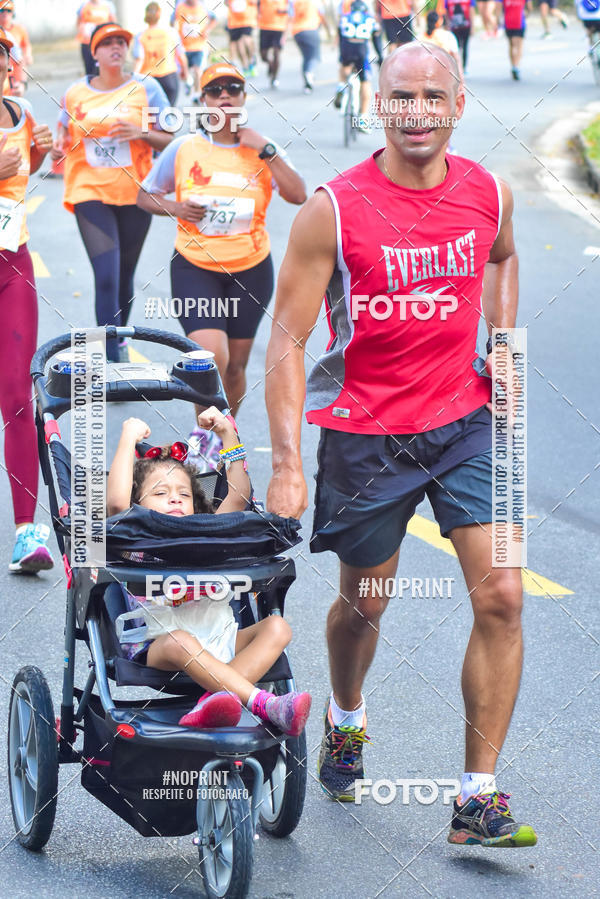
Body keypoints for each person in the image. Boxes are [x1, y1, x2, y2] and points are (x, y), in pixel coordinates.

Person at [265, 42, 538, 847]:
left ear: (458, 105)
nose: (416, 111)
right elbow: (287, 333)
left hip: (471, 422)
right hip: (367, 432)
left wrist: (503, 343)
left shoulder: (489, 191)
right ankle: (347, 719)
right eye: (400, 97)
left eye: (431, 96)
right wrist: (286, 463)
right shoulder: (334, 209)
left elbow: (502, 258)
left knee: (504, 595)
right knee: (364, 604)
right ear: (377, 105)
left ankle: (476, 796)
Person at [136, 63, 305, 461]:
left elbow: (298, 194)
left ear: (244, 98)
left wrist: (264, 147)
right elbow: (145, 196)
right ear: (203, 100)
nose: (224, 95)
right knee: (211, 360)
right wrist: (176, 206)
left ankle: (218, 437)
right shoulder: (184, 148)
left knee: (235, 368)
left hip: (250, 270)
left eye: (233, 87)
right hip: (196, 267)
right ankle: (206, 440)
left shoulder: (263, 149)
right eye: (214, 90)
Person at [106, 408, 312, 735]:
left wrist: (228, 434)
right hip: (162, 642)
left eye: (183, 494)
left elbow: (240, 496)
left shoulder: (209, 530)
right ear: (139, 504)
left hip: (222, 638)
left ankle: (211, 702)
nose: (174, 498)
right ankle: (263, 703)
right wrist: (128, 437)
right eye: (160, 493)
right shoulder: (136, 536)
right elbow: (117, 504)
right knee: (181, 641)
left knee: (277, 628)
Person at [51, 23, 173, 363]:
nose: (116, 47)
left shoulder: (147, 88)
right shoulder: (75, 93)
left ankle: (117, 339)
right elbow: (62, 139)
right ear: (95, 53)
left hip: (136, 193)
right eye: (107, 43)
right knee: (106, 274)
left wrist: (141, 131)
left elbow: (170, 138)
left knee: (124, 275)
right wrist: (55, 151)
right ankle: (111, 359)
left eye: (121, 41)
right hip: (88, 190)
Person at [0, 29, 55, 573]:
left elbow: (27, 169)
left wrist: (45, 154)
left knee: (18, 397)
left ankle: (25, 532)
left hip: (13, 262)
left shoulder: (19, 110)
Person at [334, 0, 380, 132]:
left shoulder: (344, 17)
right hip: (361, 50)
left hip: (346, 49)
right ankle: (363, 119)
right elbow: (376, 39)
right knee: (365, 82)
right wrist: (380, 57)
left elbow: (341, 37)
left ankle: (341, 87)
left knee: (344, 68)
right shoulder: (370, 19)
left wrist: (341, 55)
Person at [132, 2, 189, 106]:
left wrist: (133, 80)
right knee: (167, 114)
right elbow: (180, 55)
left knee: (151, 115)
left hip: (149, 79)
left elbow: (139, 60)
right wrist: (185, 72)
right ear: (160, 14)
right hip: (169, 77)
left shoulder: (141, 36)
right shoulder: (171, 33)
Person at [172, 0, 217, 98]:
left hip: (199, 46)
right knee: (183, 73)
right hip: (184, 46)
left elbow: (214, 19)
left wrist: (207, 30)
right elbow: (171, 22)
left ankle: (197, 94)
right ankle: (189, 82)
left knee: (198, 70)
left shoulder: (203, 7)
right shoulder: (179, 7)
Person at [290, 0, 331, 92]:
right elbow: (323, 18)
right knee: (314, 57)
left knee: (306, 57)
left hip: (297, 32)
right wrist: (329, 32)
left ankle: (307, 84)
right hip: (311, 30)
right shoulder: (316, 2)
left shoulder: (295, 2)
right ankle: (309, 73)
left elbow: (290, 17)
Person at [77, 0, 116, 76]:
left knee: (103, 67)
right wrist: (82, 32)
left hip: (103, 42)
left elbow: (113, 23)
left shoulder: (108, 5)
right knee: (89, 68)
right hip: (87, 43)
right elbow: (79, 22)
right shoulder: (84, 5)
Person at [0, 1, 31, 97]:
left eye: (8, 10)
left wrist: (22, 84)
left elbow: (21, 57)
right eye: (2, 10)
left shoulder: (10, 35)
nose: (5, 13)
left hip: (10, 81)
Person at [422, 10, 462, 78]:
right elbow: (457, 60)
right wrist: (461, 80)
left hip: (426, 75)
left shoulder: (420, 38)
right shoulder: (448, 36)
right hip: (445, 75)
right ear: (439, 22)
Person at [258, 0, 289, 87]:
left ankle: (274, 77)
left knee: (276, 52)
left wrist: (284, 11)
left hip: (279, 27)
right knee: (263, 56)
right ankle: (270, 64)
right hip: (264, 27)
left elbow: (292, 9)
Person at [226, 0, 259, 78]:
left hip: (247, 20)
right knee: (239, 45)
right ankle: (245, 66)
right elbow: (226, 2)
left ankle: (251, 58)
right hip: (234, 22)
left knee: (246, 40)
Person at [503, 0, 530, 79]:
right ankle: (515, 66)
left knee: (513, 44)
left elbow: (529, 7)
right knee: (517, 45)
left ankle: (514, 66)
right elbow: (529, 8)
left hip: (514, 22)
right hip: (514, 22)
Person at [446, 0, 473, 71]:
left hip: (466, 26)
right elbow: (447, 13)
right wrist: (447, 26)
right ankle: (457, 67)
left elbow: (471, 11)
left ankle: (463, 67)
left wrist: (472, 26)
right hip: (454, 28)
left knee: (465, 47)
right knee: (456, 48)